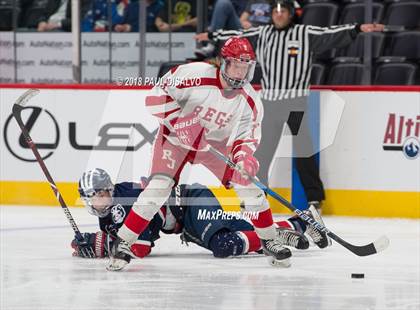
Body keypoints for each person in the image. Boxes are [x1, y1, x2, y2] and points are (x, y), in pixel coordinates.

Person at [106, 37, 329, 271]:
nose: (241, 73)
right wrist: (181, 121)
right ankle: (123, 242)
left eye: (246, 67)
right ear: (222, 62)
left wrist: (244, 158)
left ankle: (269, 239)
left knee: (249, 186)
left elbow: (246, 137)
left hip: (214, 145)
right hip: (173, 140)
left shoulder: (250, 101)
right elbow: (154, 97)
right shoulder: (194, 74)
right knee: (158, 188)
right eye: (236, 65)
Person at [195, 0, 385, 213]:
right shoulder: (262, 33)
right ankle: (256, 195)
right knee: (261, 154)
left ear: (290, 14)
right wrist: (212, 36)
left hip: (295, 103)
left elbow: (329, 33)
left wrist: (357, 28)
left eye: (282, 11)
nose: (278, 14)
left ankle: (314, 199)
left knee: (304, 151)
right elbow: (237, 36)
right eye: (275, 11)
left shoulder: (305, 33)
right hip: (269, 103)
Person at [73, 169, 321, 260]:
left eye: (106, 190)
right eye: (98, 194)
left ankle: (276, 235)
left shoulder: (123, 199)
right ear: (88, 200)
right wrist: (88, 241)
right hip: (187, 218)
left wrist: (99, 245)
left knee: (224, 246)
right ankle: (301, 223)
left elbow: (140, 247)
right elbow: (117, 237)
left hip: (191, 202)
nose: (105, 196)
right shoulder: (106, 216)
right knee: (239, 231)